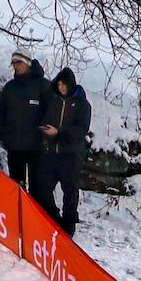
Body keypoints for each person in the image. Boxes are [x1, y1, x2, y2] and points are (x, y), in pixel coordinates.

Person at [34, 67, 92, 236]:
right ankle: (53, 218)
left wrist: (59, 133)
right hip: (52, 152)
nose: (62, 87)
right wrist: (45, 131)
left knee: (70, 191)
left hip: (71, 153)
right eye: (59, 84)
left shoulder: (82, 104)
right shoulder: (54, 101)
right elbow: (46, 120)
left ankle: (68, 227)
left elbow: (81, 129)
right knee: (42, 185)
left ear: (71, 84)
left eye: (64, 84)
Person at [0, 51, 47, 192]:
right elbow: (1, 112)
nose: (16, 66)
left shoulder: (43, 85)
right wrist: (2, 135)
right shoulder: (10, 87)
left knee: (38, 188)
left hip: (36, 147)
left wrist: (45, 137)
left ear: (28, 63)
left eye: (19, 62)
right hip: (15, 146)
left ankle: (35, 213)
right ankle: (17, 213)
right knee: (16, 188)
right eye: (14, 63)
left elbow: (52, 112)